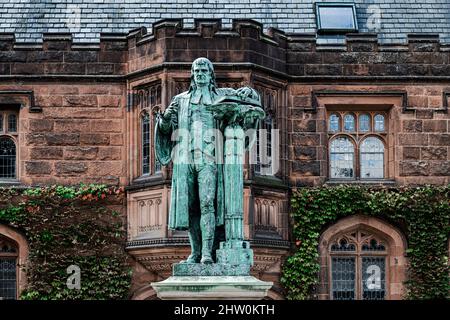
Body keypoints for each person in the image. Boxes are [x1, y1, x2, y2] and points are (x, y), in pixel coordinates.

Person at [155, 57, 259, 264]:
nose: (200, 73)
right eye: (197, 70)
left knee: (207, 204)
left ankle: (207, 254)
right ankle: (195, 252)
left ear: (211, 74)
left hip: (210, 159)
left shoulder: (222, 96)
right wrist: (164, 121)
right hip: (185, 160)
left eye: (204, 70)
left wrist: (250, 92)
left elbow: (250, 100)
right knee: (190, 207)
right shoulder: (180, 100)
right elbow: (167, 129)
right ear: (192, 74)